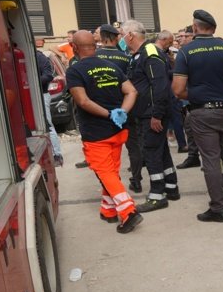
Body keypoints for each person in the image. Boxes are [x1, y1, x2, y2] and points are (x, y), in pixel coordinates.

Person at [172, 9, 223, 223]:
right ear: (213, 28)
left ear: (195, 26)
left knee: (210, 159)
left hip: (202, 112)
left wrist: (199, 95)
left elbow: (178, 90)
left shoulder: (185, 52)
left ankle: (218, 208)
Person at [65, 30, 142, 233]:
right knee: (111, 172)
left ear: (74, 48)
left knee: (106, 173)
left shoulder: (75, 70)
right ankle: (107, 210)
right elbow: (132, 91)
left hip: (96, 133)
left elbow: (82, 101)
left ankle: (129, 212)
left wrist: (109, 114)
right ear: (95, 45)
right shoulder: (111, 66)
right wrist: (121, 112)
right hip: (118, 130)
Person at [121, 21, 179, 212]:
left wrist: (157, 114)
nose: (122, 38)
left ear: (130, 35)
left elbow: (160, 85)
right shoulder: (138, 55)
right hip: (148, 112)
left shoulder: (150, 53)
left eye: (123, 34)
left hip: (152, 114)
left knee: (151, 151)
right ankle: (171, 187)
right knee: (161, 150)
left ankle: (157, 196)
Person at [96, 24, 143, 192]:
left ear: (101, 38)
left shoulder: (94, 57)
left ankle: (110, 185)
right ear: (115, 38)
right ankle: (136, 180)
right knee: (133, 146)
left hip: (101, 110)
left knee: (106, 151)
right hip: (125, 108)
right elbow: (133, 82)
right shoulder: (126, 57)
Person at [156, 30, 189, 153]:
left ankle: (182, 144)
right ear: (163, 40)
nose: (170, 45)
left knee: (177, 119)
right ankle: (179, 144)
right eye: (169, 42)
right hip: (166, 91)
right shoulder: (157, 54)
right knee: (169, 120)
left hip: (171, 90)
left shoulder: (164, 53)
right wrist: (178, 72)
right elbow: (163, 72)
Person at [33, 48, 64, 167]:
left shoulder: (39, 57)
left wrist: (32, 82)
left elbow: (48, 75)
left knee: (48, 125)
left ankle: (57, 155)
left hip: (42, 94)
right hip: (28, 96)